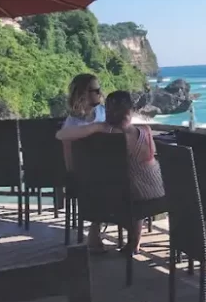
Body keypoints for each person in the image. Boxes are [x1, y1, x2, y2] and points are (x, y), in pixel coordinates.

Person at [56, 90, 164, 255]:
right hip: (136, 195)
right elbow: (150, 156)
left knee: (116, 180)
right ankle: (133, 243)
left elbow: (61, 135)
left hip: (103, 195)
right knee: (142, 185)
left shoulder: (98, 135)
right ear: (130, 110)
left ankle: (94, 236)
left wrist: (97, 126)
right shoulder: (144, 132)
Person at [60, 73, 106, 251]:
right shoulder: (72, 122)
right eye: (95, 90)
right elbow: (67, 151)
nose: (100, 93)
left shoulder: (104, 112)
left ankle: (132, 238)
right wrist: (71, 174)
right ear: (83, 94)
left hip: (106, 168)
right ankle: (95, 231)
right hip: (86, 174)